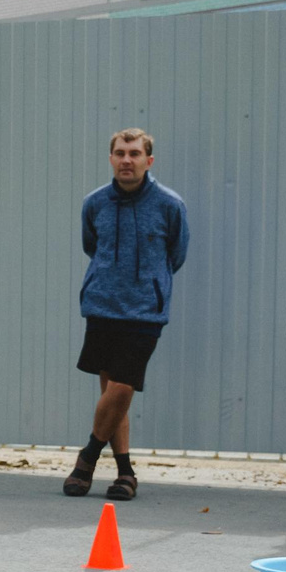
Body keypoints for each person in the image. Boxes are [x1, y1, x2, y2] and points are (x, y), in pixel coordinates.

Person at [65, 128, 188, 501]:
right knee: (111, 394)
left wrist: (150, 284)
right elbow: (92, 245)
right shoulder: (95, 203)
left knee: (121, 388)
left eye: (134, 154)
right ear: (111, 158)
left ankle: (86, 458)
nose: (126, 160)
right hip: (102, 307)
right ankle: (125, 473)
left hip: (144, 312)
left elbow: (177, 254)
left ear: (148, 161)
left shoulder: (170, 205)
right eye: (120, 153)